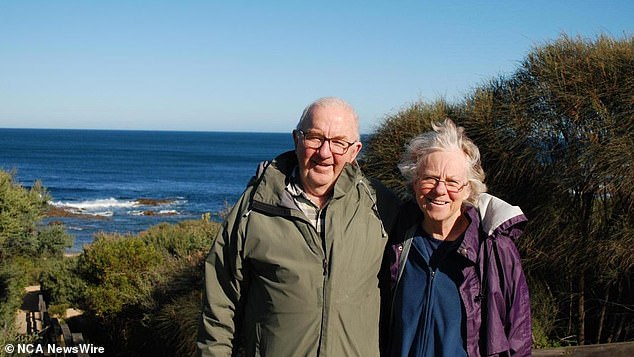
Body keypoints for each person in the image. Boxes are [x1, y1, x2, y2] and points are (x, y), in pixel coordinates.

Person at [197, 97, 400, 356]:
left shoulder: (381, 206)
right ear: (296, 139)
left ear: (354, 151)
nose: (325, 153)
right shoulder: (256, 205)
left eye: (338, 142)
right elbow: (220, 303)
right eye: (315, 137)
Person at [386, 119, 532, 356]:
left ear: (469, 189)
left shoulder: (494, 251)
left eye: (452, 181)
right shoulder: (397, 241)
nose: (440, 190)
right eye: (430, 178)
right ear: (415, 183)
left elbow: (518, 338)